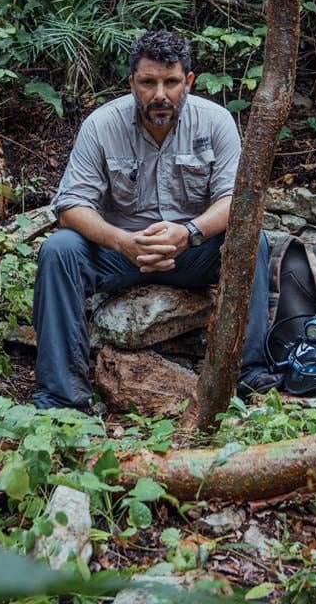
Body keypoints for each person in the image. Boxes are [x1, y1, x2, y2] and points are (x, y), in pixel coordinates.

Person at [32, 29, 277, 411]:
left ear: (189, 82)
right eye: (148, 82)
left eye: (171, 82)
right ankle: (63, 397)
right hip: (122, 253)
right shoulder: (102, 125)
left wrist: (190, 232)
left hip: (192, 251)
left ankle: (248, 373)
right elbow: (71, 206)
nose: (160, 94)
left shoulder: (216, 122)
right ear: (132, 83)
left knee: (252, 241)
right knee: (59, 249)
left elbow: (234, 200)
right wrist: (121, 242)